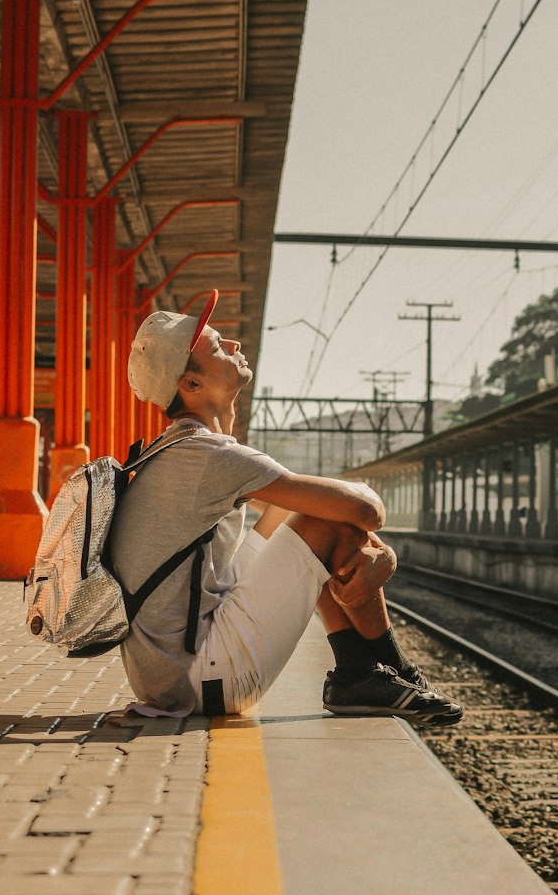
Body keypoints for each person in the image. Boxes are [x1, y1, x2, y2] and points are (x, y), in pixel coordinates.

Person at [109, 289, 461, 724]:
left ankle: (360, 670)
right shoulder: (210, 456)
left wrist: (379, 552)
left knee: (319, 517)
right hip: (203, 677)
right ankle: (393, 670)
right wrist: (380, 546)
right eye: (218, 346)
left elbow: (294, 511)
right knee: (331, 523)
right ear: (192, 384)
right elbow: (366, 513)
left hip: (171, 673)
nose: (235, 345)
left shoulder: (180, 449)